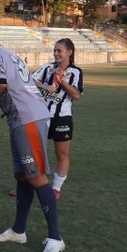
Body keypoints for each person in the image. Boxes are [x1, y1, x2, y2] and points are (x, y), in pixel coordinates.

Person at [0, 19, 65, 252]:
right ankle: (18, 230)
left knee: (36, 176)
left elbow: (0, 84)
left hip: (27, 117)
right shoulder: (7, 52)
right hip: (23, 116)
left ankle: (55, 237)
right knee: (22, 174)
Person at [24, 38, 83, 200]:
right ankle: (29, 186)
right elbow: (30, 80)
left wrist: (61, 80)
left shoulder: (76, 72)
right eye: (55, 50)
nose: (56, 53)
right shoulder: (47, 67)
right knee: (33, 152)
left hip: (62, 118)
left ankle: (56, 188)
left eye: (59, 51)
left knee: (61, 153)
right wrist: (45, 86)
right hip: (41, 116)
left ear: (69, 52)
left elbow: (76, 95)